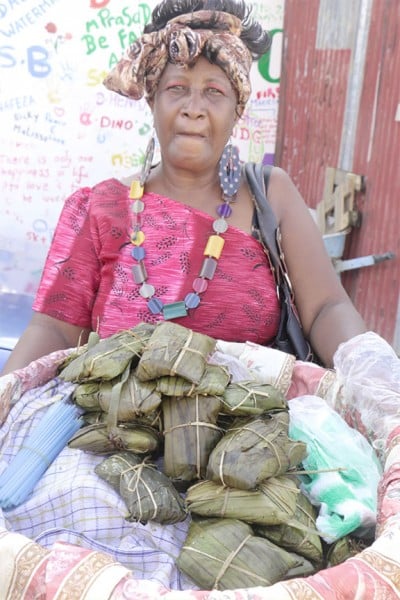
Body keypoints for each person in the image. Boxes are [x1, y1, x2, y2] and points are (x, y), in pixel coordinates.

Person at [1, 0, 366, 379]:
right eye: (177, 88)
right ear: (153, 100)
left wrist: (372, 378)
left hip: (250, 430)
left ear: (236, 108)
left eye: (214, 92)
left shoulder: (271, 195)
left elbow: (326, 307)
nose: (194, 108)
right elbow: (53, 329)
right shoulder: (100, 208)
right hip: (116, 430)